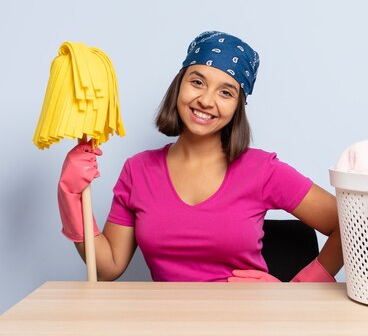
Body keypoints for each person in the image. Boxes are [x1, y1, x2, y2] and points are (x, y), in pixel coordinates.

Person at [57, 31, 343, 282]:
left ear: (237, 107)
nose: (206, 100)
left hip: (248, 325)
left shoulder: (263, 170)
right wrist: (70, 195)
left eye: (226, 92)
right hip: (170, 326)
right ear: (179, 85)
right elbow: (108, 268)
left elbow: (348, 224)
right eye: (197, 82)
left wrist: (297, 289)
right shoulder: (138, 170)